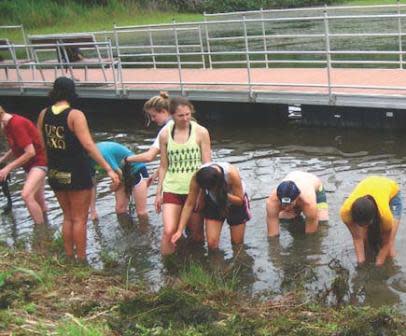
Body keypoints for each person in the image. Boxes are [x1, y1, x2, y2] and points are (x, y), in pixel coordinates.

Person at [37, 77, 119, 262]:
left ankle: (68, 256)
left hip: (55, 172)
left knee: (67, 217)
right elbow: (89, 146)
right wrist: (109, 169)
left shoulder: (43, 114)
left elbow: (42, 145)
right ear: (72, 91)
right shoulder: (75, 115)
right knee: (80, 219)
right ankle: (82, 260)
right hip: (76, 171)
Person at [155, 96, 211, 255]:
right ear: (172, 115)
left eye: (188, 114)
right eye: (181, 115)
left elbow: (207, 165)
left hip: (194, 189)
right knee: (169, 231)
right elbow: (164, 165)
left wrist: (202, 193)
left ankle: (195, 265)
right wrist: (158, 193)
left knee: (197, 235)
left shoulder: (201, 132)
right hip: (172, 187)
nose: (185, 118)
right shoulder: (165, 134)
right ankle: (168, 269)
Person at [171, 162, 251, 250]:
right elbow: (189, 204)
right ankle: (216, 262)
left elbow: (240, 201)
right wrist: (179, 230)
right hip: (214, 203)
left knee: (237, 244)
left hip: (235, 203)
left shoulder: (232, 173)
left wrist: (223, 195)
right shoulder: (197, 177)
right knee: (212, 244)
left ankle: (238, 262)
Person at [0, 106, 47, 224]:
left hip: (40, 161)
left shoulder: (16, 124)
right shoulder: (7, 126)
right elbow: (17, 147)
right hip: (30, 166)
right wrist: (3, 160)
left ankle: (40, 233)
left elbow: (30, 152)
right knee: (39, 202)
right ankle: (47, 230)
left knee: (26, 195)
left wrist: (8, 168)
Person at [340, 176, 401, 267]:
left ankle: (392, 270)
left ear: (373, 218)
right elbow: (357, 238)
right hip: (368, 185)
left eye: (367, 225)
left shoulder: (385, 216)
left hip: (391, 192)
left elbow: (387, 242)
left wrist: (378, 264)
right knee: (365, 242)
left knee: (389, 250)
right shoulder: (345, 212)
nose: (364, 228)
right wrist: (360, 265)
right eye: (361, 225)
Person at [90, 141, 149, 220]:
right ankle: (127, 231)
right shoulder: (86, 161)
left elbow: (119, 174)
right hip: (121, 175)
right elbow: (92, 185)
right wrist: (93, 210)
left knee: (141, 212)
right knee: (120, 210)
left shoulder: (102, 154)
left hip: (136, 170)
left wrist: (113, 186)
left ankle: (146, 232)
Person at [125, 92, 172, 182]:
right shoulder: (183, 123)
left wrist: (127, 159)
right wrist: (156, 174)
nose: (152, 119)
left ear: (163, 111)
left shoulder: (166, 130)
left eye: (153, 115)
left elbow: (149, 157)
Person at [266, 171, 328, 237]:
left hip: (314, 186)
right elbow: (272, 235)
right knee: (285, 217)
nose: (286, 208)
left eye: (289, 204)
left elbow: (311, 236)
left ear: (297, 197)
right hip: (294, 178)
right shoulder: (272, 202)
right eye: (284, 204)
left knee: (322, 222)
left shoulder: (309, 203)